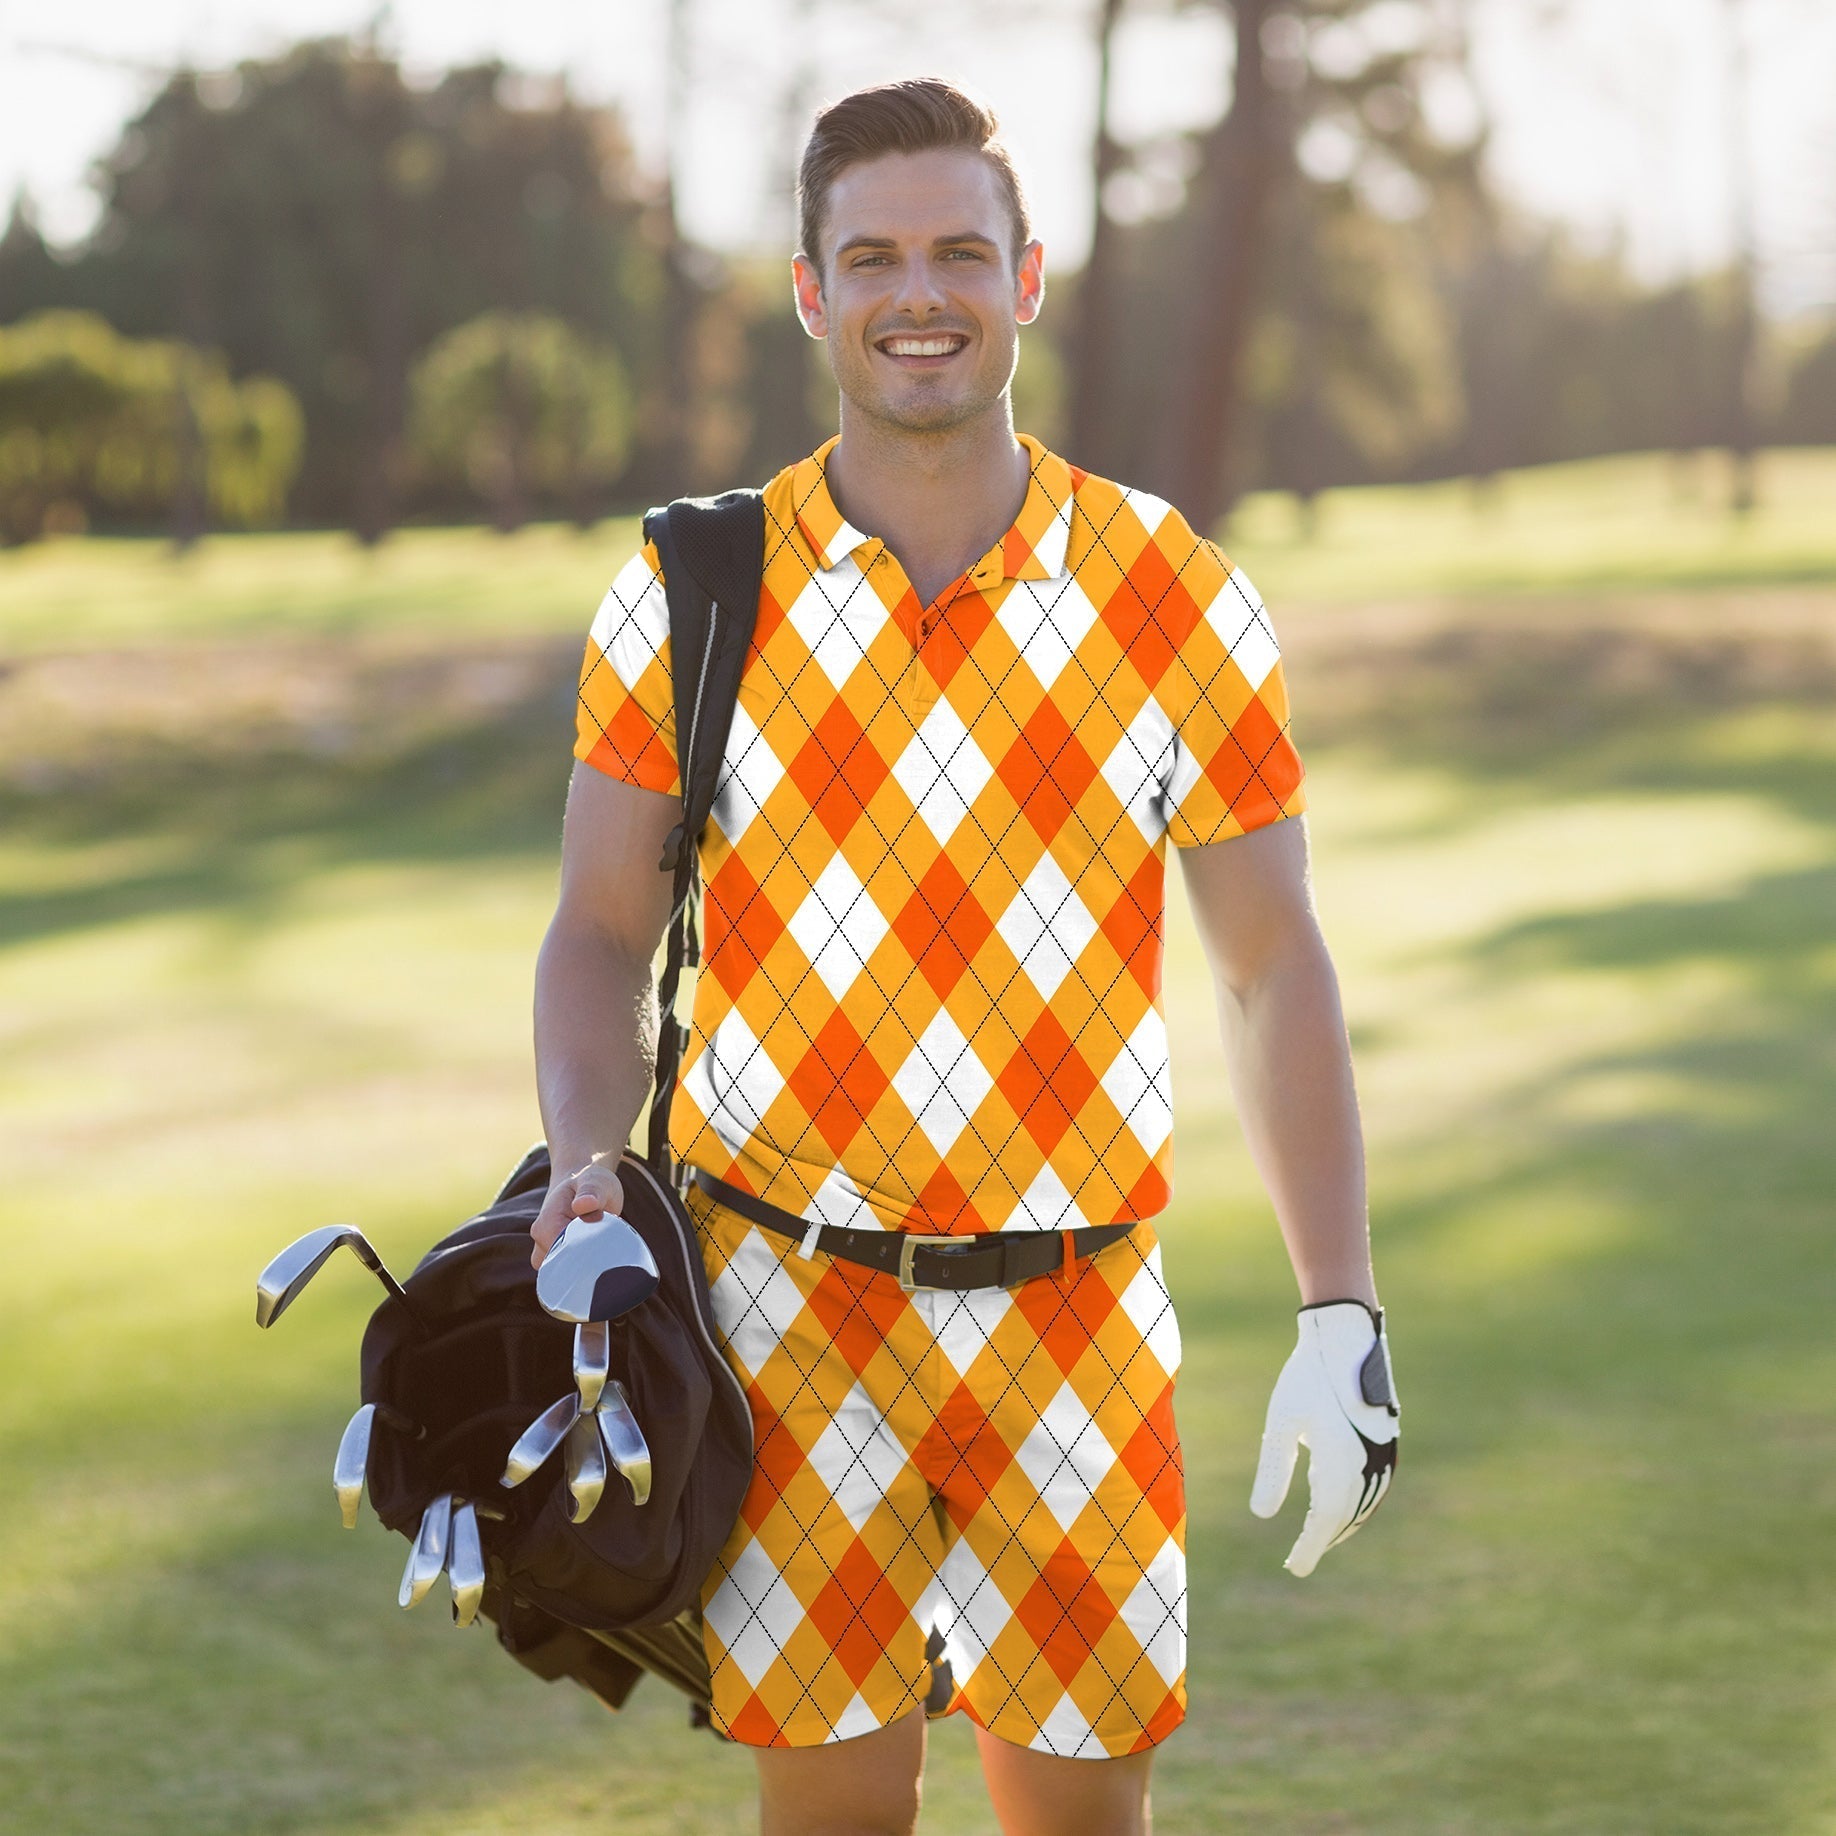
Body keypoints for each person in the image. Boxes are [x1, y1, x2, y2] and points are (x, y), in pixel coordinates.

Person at [531, 77, 1395, 1836]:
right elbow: (601, 930)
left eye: (956, 252)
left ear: (1030, 276)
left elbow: (1270, 967)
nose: (917, 291)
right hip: (780, 1310)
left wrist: (1342, 1308)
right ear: (809, 291)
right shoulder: (696, 588)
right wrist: (582, 1163)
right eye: (874, 257)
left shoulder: (1175, 589)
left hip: (1080, 1312)